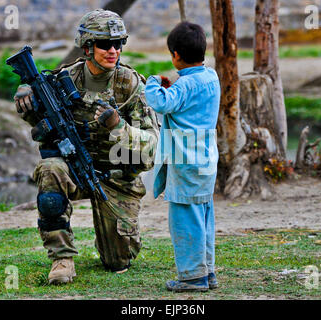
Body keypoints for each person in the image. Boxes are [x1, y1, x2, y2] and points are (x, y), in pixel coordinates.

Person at [13, 9, 159, 285]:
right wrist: (26, 99)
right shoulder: (65, 79)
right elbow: (42, 124)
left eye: (119, 44)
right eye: (105, 44)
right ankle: (62, 257)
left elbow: (152, 150)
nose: (113, 50)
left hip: (118, 178)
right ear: (88, 47)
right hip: (74, 169)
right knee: (50, 170)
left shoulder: (131, 86)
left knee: (118, 260)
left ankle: (110, 243)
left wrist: (119, 127)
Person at [145, 22, 221, 292]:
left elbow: (161, 102)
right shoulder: (211, 77)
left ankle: (192, 277)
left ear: (175, 54)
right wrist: (172, 86)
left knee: (184, 219)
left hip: (186, 162)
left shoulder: (185, 86)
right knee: (203, 216)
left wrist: (153, 82)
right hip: (206, 160)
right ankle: (207, 271)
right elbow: (181, 99)